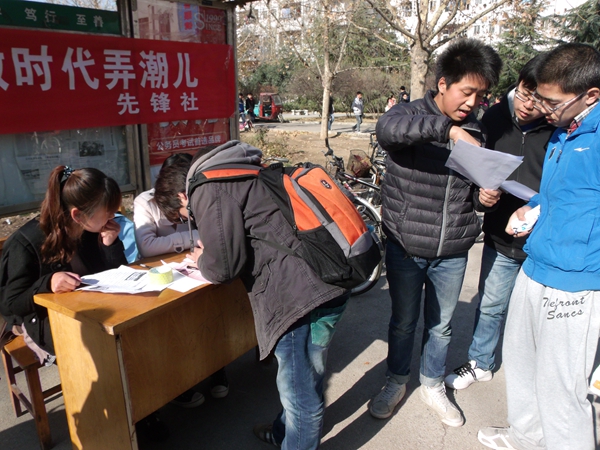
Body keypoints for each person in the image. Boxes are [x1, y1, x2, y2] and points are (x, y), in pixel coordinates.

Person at [153, 141, 350, 450]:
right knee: (308, 375)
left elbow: (223, 268)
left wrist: (202, 258)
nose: (189, 218)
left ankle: (296, 440)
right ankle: (283, 434)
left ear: (182, 196)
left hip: (295, 297)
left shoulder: (207, 187)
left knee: (300, 397)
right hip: (326, 279)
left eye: (183, 215)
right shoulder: (239, 169)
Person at [369, 38, 502, 427]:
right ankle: (395, 381)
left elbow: (472, 192)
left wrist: (484, 198)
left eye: (481, 95)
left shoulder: (476, 129)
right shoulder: (408, 114)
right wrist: (449, 131)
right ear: (443, 84)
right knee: (403, 322)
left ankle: (431, 385)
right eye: (467, 92)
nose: (472, 102)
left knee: (441, 326)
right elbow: (387, 131)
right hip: (407, 245)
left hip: (454, 250)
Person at [478, 43, 600, 450]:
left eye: (552, 102)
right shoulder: (565, 132)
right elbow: (559, 194)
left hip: (576, 280)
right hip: (536, 265)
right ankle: (526, 436)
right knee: (522, 360)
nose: (542, 109)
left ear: (590, 95)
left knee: (562, 386)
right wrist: (531, 208)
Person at [445, 55, 555, 392]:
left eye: (539, 99)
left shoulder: (558, 127)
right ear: (518, 85)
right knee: (491, 305)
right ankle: (481, 362)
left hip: (543, 238)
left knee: (542, 312)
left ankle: (543, 373)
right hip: (500, 236)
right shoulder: (492, 118)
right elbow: (477, 173)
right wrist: (483, 198)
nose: (528, 105)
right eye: (525, 94)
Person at [133, 152, 229, 405]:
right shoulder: (145, 202)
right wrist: (192, 237)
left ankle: (217, 368)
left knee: (209, 315)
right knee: (172, 328)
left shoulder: (199, 196)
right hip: (162, 276)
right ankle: (179, 382)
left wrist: (177, 240)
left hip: (195, 270)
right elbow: (147, 246)